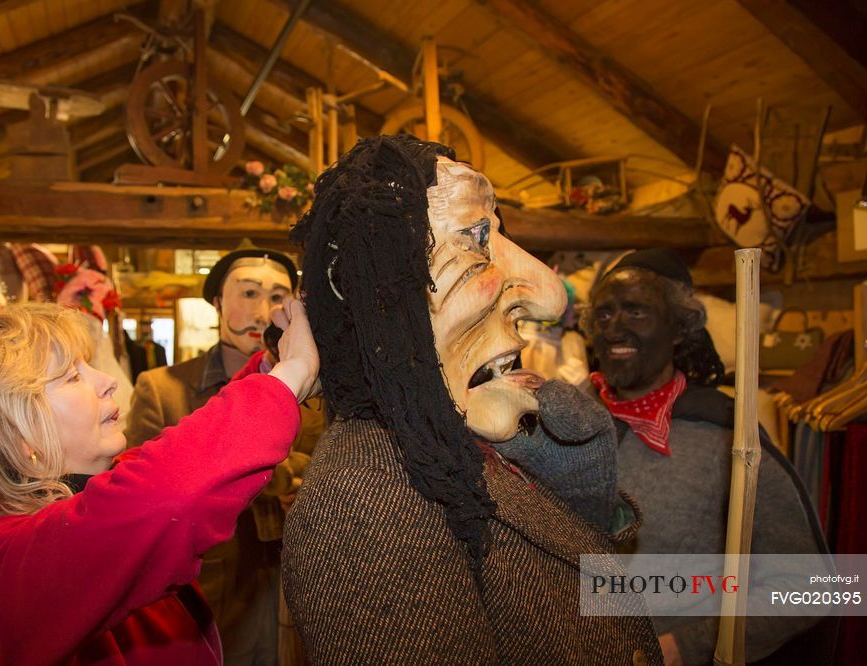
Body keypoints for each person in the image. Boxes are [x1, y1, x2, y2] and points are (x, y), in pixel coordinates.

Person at [282, 135, 662, 664]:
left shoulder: (446, 444)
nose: (548, 294)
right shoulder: (364, 505)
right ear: (378, 295)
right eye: (475, 239)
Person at [0, 299, 318, 665]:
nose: (106, 380)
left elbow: (183, 456)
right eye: (72, 376)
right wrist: (289, 377)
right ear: (13, 429)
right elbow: (167, 495)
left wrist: (270, 364)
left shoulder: (81, 498)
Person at [582, 248, 832, 665]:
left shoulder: (727, 439)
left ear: (679, 328)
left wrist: (684, 646)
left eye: (636, 312)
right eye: (604, 315)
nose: (615, 329)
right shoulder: (567, 422)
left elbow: (810, 585)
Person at [126, 242, 323, 666]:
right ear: (217, 302)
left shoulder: (317, 386)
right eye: (248, 293)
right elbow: (143, 499)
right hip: (213, 590)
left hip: (297, 582)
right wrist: (288, 475)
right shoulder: (161, 389)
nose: (261, 310)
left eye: (276, 297)